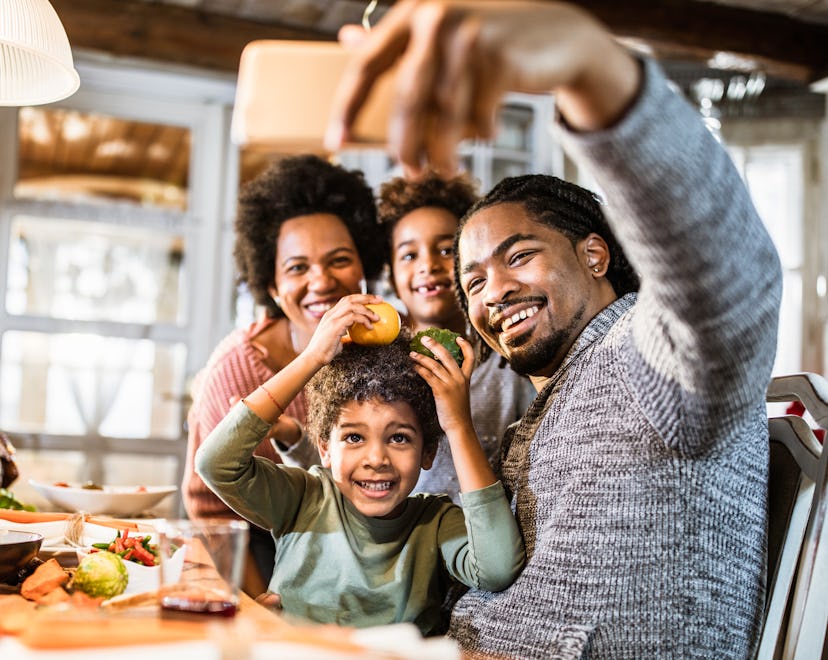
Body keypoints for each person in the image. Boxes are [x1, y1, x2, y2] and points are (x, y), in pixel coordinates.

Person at [325, 2, 782, 658]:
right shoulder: (553, 400)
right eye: (474, 281)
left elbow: (730, 275)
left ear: (593, 254)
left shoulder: (649, 358)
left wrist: (593, 68)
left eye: (518, 256)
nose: (495, 290)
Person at [195, 293, 525, 635]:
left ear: (428, 452)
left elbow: (498, 567)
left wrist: (458, 425)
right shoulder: (303, 498)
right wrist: (311, 358)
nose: (376, 459)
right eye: (354, 437)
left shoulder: (436, 523)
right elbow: (215, 463)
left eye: (399, 438)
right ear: (324, 448)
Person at [182, 155, 384, 596]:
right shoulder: (238, 367)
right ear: (272, 287)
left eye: (340, 260)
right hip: (263, 546)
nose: (321, 281)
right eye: (297, 267)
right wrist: (255, 609)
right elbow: (211, 509)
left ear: (363, 269)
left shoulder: (384, 350)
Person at [377, 172, 535, 502]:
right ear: (391, 274)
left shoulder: (507, 359)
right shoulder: (379, 366)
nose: (428, 265)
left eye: (446, 250)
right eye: (409, 255)